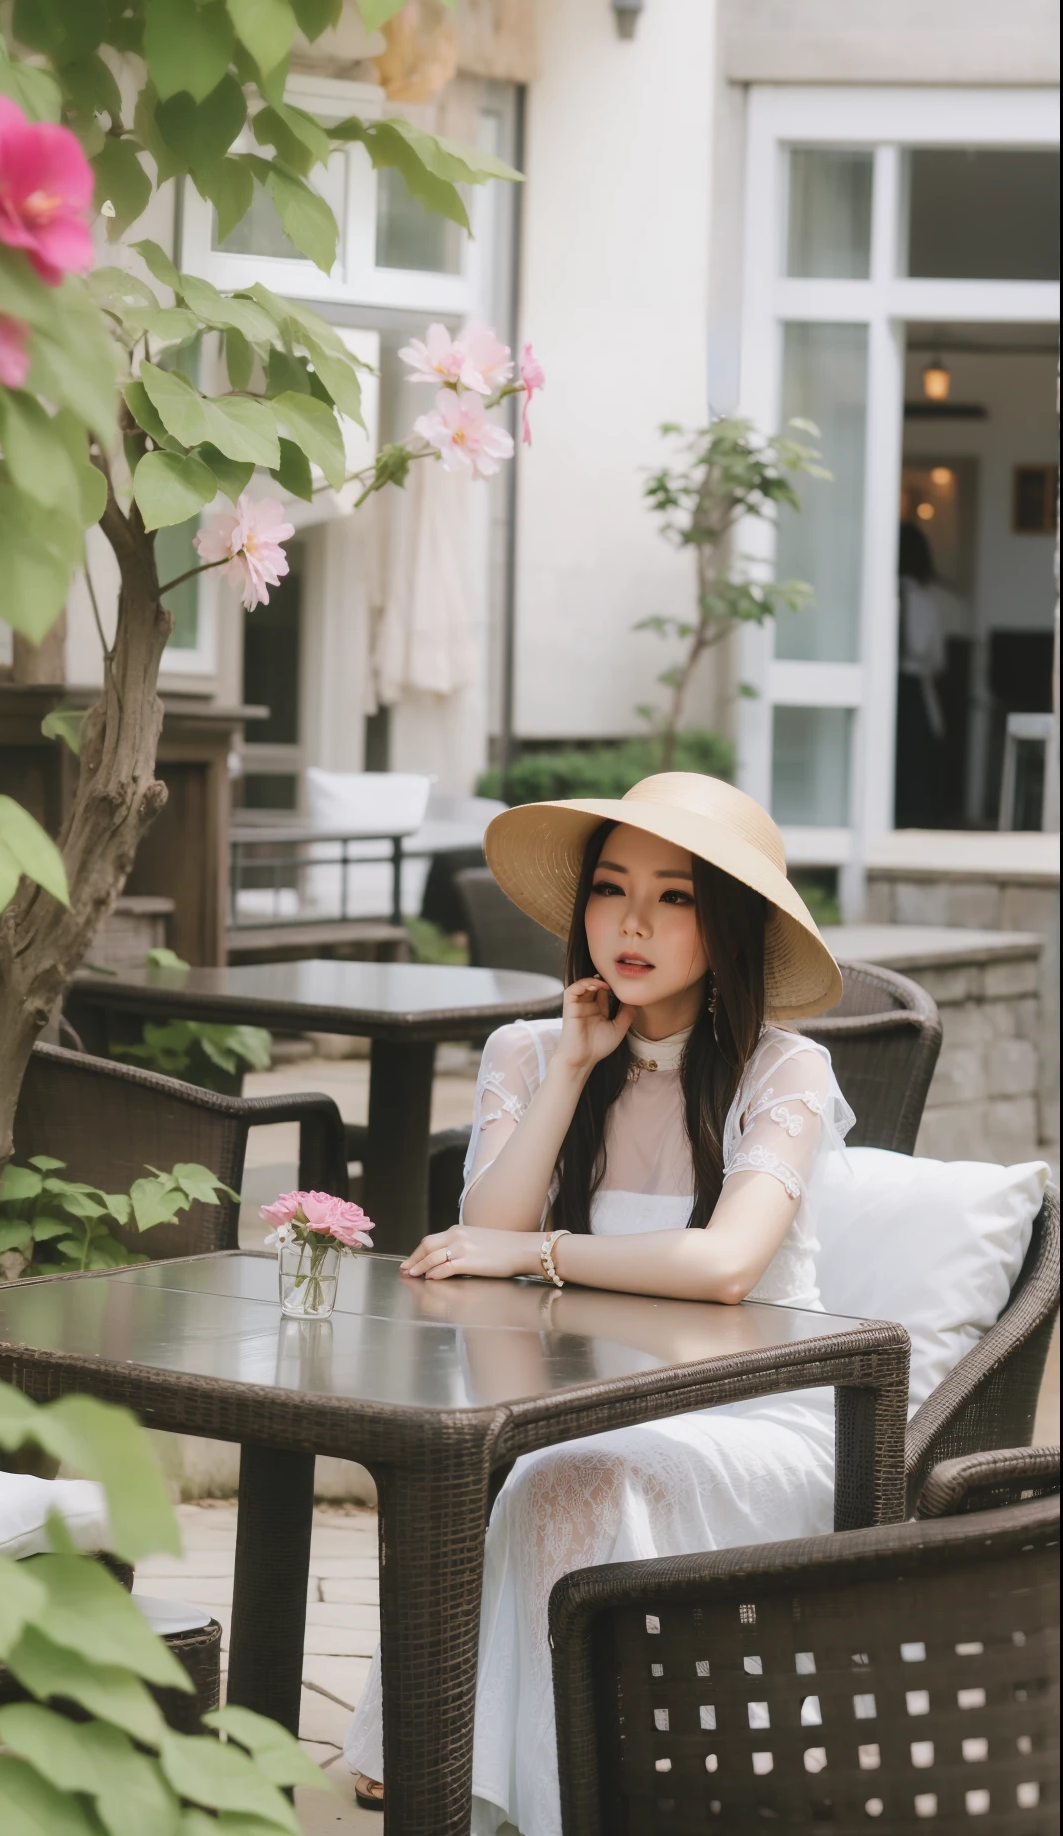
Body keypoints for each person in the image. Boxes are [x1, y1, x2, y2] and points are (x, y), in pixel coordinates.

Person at [345, 771, 853, 1832]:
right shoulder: (529, 1052)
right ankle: (487, 1769)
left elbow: (724, 1262)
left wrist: (536, 1251)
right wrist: (574, 1068)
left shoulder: (783, 1069)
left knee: (562, 1476)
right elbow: (480, 1229)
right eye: (610, 887)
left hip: (754, 1411)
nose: (630, 920)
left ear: (727, 922)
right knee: (503, 1461)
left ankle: (578, 1794)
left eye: (673, 895)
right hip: (577, 1397)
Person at [895, 518, 948, 827]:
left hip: (894, 690)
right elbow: (937, 660)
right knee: (915, 769)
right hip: (914, 691)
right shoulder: (927, 604)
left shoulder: (869, 601)